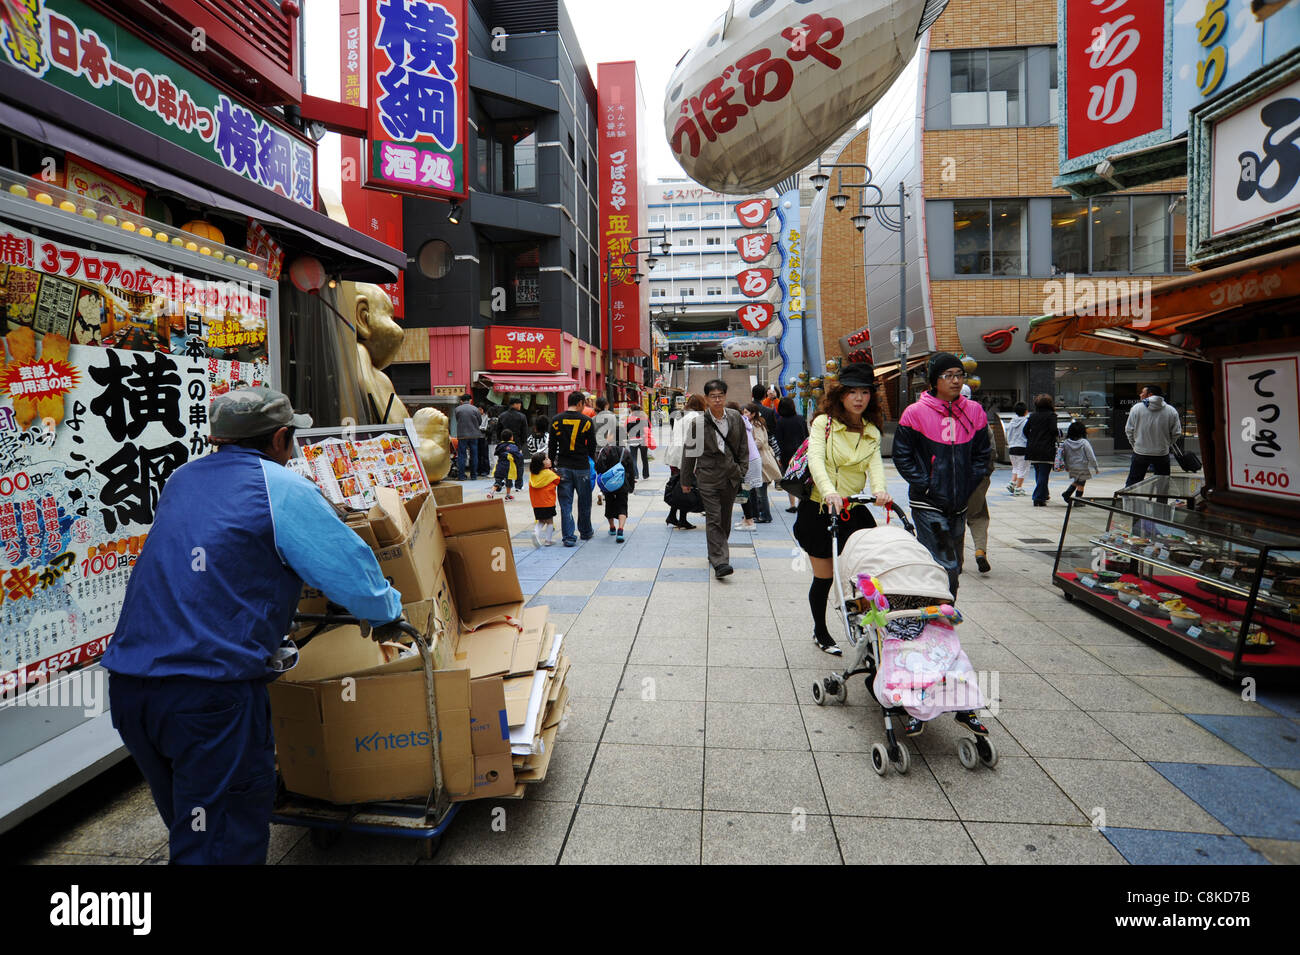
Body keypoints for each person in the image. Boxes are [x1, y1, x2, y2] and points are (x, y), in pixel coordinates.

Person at [102, 387, 404, 865]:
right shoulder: (280, 487)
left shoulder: (182, 479)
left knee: (193, 824)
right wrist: (388, 612)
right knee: (221, 845)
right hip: (207, 695)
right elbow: (350, 568)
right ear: (281, 438)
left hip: (131, 689)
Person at [793, 363, 892, 655]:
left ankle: (868, 629)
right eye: (852, 392)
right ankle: (820, 630)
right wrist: (829, 491)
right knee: (823, 578)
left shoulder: (871, 430)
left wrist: (880, 490)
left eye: (864, 392)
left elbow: (875, 466)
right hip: (819, 508)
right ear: (841, 395)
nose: (859, 398)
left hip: (854, 510)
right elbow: (816, 461)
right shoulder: (823, 423)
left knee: (866, 577)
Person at [892, 353, 992, 600]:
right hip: (928, 503)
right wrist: (925, 484)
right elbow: (901, 456)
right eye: (948, 375)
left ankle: (934, 608)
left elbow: (983, 455)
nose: (955, 381)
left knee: (954, 564)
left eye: (959, 375)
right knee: (945, 561)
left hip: (959, 504)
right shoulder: (914, 413)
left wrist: (970, 483)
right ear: (934, 381)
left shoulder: (975, 411)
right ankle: (943, 612)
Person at [680, 379, 748, 578]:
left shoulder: (735, 417)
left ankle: (716, 552)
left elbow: (744, 446)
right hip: (708, 476)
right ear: (707, 399)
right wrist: (685, 480)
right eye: (713, 396)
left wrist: (742, 470)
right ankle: (720, 561)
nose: (717, 400)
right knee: (714, 518)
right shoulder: (698, 422)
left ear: (725, 397)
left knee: (725, 519)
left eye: (720, 396)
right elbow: (689, 453)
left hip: (731, 476)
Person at [549, 390, 597, 546]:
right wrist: (591, 460)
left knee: (565, 503)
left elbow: (552, 446)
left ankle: (568, 537)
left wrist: (551, 465)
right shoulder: (587, 421)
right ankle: (585, 531)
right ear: (579, 403)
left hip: (563, 466)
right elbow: (592, 446)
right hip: (582, 466)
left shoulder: (556, 420)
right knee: (584, 501)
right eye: (584, 404)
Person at [961, 383, 994, 575]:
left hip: (954, 478)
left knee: (955, 517)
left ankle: (956, 560)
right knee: (978, 515)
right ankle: (980, 550)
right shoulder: (980, 418)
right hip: (978, 477)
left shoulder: (946, 417)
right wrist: (986, 474)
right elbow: (992, 450)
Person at [1124, 384, 1181, 487]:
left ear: (1150, 394)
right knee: (1163, 484)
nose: (1140, 394)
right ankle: (1161, 502)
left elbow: (1129, 430)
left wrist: (1135, 444)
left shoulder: (1136, 408)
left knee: (1133, 482)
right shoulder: (1171, 410)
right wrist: (1167, 444)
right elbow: (1176, 433)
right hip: (1161, 453)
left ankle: (1131, 502)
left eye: (1142, 392)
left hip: (1140, 451)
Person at [664, 394, 705, 529]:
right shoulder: (695, 417)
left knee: (678, 485)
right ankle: (681, 519)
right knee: (684, 486)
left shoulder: (680, 415)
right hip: (684, 455)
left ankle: (673, 516)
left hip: (674, 454)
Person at [742, 402, 779, 524]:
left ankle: (766, 515)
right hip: (756, 458)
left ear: (753, 414)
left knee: (761, 490)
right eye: (744, 412)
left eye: (747, 412)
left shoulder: (756, 425)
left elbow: (760, 441)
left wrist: (748, 448)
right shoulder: (752, 423)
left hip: (760, 459)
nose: (744, 414)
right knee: (754, 488)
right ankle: (755, 514)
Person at [773, 396, 809, 513]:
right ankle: (801, 503)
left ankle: (792, 504)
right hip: (801, 453)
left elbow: (778, 440)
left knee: (789, 478)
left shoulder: (780, 422)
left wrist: (778, 457)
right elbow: (806, 435)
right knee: (801, 477)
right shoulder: (800, 419)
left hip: (786, 454)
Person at [1024, 393, 1060, 507]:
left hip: (1033, 448)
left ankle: (1043, 494)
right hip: (1046, 448)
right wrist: (1056, 435)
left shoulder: (1033, 415)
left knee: (1039, 472)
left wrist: (1031, 438)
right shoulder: (1051, 415)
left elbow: (1025, 430)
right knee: (1044, 474)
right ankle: (1037, 497)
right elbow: (1053, 429)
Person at [595, 443, 636, 542]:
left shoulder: (605, 450)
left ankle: (612, 527)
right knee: (622, 505)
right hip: (623, 483)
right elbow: (631, 470)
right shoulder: (625, 451)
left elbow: (599, 467)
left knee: (609, 503)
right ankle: (620, 530)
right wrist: (631, 486)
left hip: (609, 484)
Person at [1061, 420, 1100, 501]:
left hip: (1072, 466)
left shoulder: (1066, 442)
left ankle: (1067, 493)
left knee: (1077, 480)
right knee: (1081, 484)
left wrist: (1066, 466)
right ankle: (1078, 501)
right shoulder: (1084, 442)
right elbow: (1091, 456)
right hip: (1082, 466)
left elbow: (1064, 455)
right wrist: (1096, 467)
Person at [528, 452, 561, 547]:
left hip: (536, 503)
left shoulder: (533, 475)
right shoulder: (549, 473)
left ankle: (536, 532)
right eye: (546, 459)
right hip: (548, 502)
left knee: (541, 520)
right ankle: (548, 540)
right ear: (541, 463)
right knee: (550, 521)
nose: (549, 460)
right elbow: (558, 480)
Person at [498, 398, 530, 490]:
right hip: (517, 444)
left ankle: (509, 483)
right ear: (514, 404)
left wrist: (501, 441)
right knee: (519, 465)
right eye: (519, 404)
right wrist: (521, 444)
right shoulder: (522, 416)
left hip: (504, 444)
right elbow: (524, 432)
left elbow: (498, 431)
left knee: (506, 465)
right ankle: (518, 485)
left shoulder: (502, 416)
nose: (520, 406)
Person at [453, 393, 482, 479]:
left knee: (462, 455)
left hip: (462, 435)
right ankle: (473, 475)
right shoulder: (475, 409)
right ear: (470, 400)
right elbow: (479, 421)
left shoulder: (457, 409)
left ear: (461, 401)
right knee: (474, 455)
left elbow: (458, 419)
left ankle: (461, 475)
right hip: (474, 435)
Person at [490, 429, 523, 500]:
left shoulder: (499, 445)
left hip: (499, 465)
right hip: (509, 466)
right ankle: (508, 495)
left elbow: (496, 452)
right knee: (509, 481)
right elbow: (518, 455)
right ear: (511, 437)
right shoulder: (512, 446)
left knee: (498, 481)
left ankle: (491, 492)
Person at [1005, 401, 1029, 496]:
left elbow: (1008, 435)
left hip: (1012, 448)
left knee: (1016, 467)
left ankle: (1012, 483)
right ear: (1026, 411)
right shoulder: (1027, 421)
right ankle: (1019, 488)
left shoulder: (1012, 421)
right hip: (1023, 448)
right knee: (1023, 469)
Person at [625, 405, 651, 479]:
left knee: (633, 458)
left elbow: (626, 429)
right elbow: (649, 427)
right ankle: (646, 475)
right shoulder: (644, 417)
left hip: (633, 440)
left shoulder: (630, 418)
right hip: (643, 440)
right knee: (644, 458)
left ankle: (635, 474)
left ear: (632, 410)